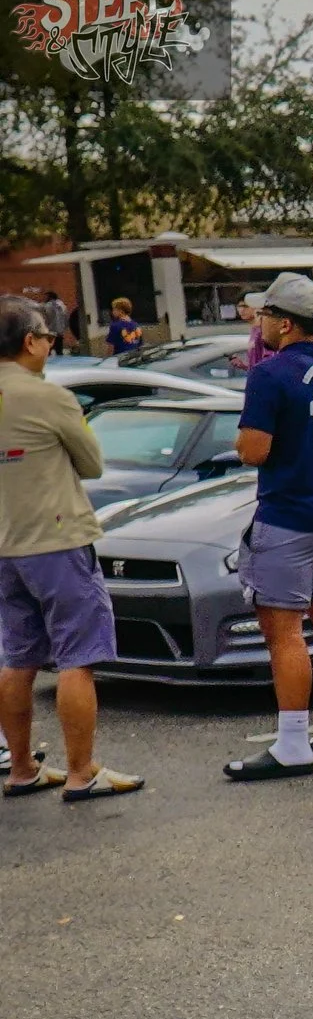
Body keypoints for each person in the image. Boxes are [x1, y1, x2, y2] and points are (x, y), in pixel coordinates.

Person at [219, 274, 313, 783]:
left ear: (284, 323)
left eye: (263, 315)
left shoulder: (270, 374)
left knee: (284, 633)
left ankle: (291, 744)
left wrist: (243, 441)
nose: (258, 322)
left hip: (288, 518)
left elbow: (253, 450)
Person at [0, 295, 145, 803]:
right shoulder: (51, 397)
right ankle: (82, 771)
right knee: (76, 658)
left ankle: (21, 769)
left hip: (4, 544)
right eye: (45, 335)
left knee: (17, 658)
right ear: (29, 343)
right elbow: (92, 464)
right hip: (56, 540)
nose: (50, 342)